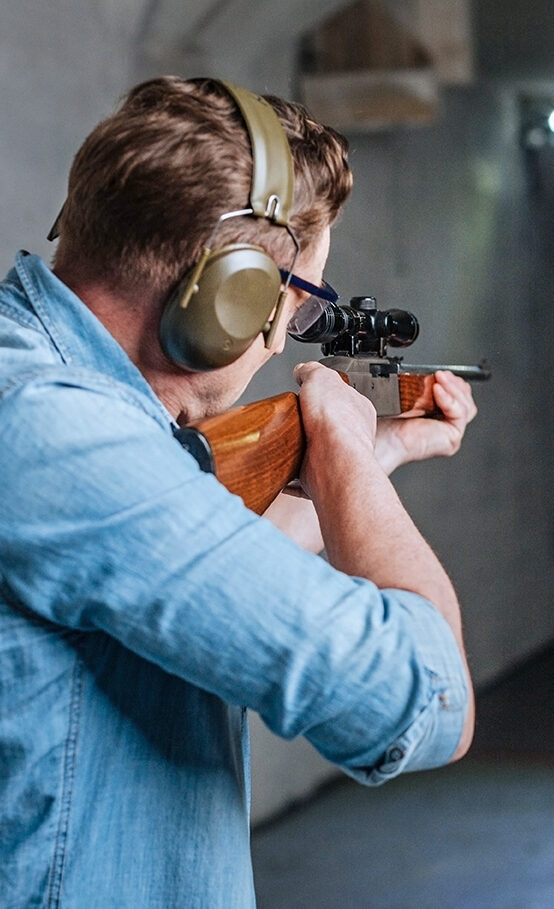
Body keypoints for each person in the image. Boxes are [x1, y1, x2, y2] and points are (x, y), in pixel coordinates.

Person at [0, 76, 476, 907]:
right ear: (232, 300)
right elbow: (422, 698)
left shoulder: (54, 397)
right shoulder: (57, 432)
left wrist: (374, 451)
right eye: (299, 305)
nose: (286, 331)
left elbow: (198, 578)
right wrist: (344, 458)